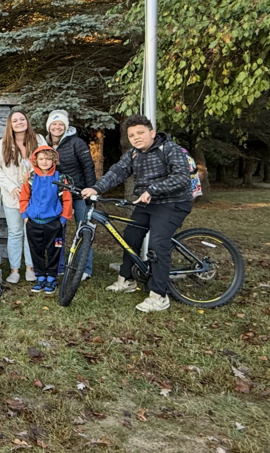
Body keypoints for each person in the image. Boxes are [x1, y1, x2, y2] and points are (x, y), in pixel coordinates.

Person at [82, 114, 194, 313]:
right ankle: (127, 280)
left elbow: (182, 178)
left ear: (152, 132)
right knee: (130, 236)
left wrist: (153, 190)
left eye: (140, 133)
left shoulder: (170, 149)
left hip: (173, 202)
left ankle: (159, 295)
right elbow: (117, 172)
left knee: (158, 244)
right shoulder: (134, 154)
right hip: (147, 202)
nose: (136, 137)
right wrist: (96, 189)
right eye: (132, 135)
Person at [0, 111, 45, 284]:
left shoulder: (38, 140)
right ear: (10, 124)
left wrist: (34, 183)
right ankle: (15, 270)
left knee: (31, 231)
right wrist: (11, 186)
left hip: (34, 196)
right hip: (12, 196)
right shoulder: (3, 144)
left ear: (27, 122)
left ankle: (30, 267)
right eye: (15, 120)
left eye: (22, 119)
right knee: (15, 232)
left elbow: (47, 163)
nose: (19, 122)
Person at [46, 110, 97, 281]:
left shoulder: (77, 142)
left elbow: (88, 167)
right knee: (58, 232)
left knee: (84, 230)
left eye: (61, 124)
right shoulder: (46, 144)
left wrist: (90, 191)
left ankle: (85, 268)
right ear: (49, 127)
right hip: (59, 196)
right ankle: (59, 266)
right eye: (54, 124)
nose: (57, 127)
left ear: (66, 126)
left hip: (79, 194)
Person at [19, 146, 73, 295]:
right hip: (33, 222)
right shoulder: (30, 177)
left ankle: (52, 278)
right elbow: (24, 197)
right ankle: (40, 276)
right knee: (36, 250)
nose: (44, 161)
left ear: (54, 160)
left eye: (48, 158)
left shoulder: (61, 178)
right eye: (41, 159)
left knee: (55, 249)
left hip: (54, 223)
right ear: (35, 160)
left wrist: (63, 219)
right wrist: (25, 216)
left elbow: (67, 200)